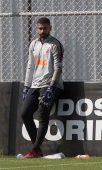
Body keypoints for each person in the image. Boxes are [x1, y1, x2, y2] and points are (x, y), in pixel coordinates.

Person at [21, 17, 64, 158]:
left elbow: (58, 68)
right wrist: (26, 86)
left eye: (45, 28)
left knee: (42, 113)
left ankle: (34, 149)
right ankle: (37, 148)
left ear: (50, 28)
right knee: (25, 113)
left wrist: (52, 88)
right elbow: (30, 66)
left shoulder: (55, 44)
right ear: (37, 28)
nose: (42, 31)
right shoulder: (33, 44)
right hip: (35, 84)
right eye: (40, 28)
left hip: (50, 84)